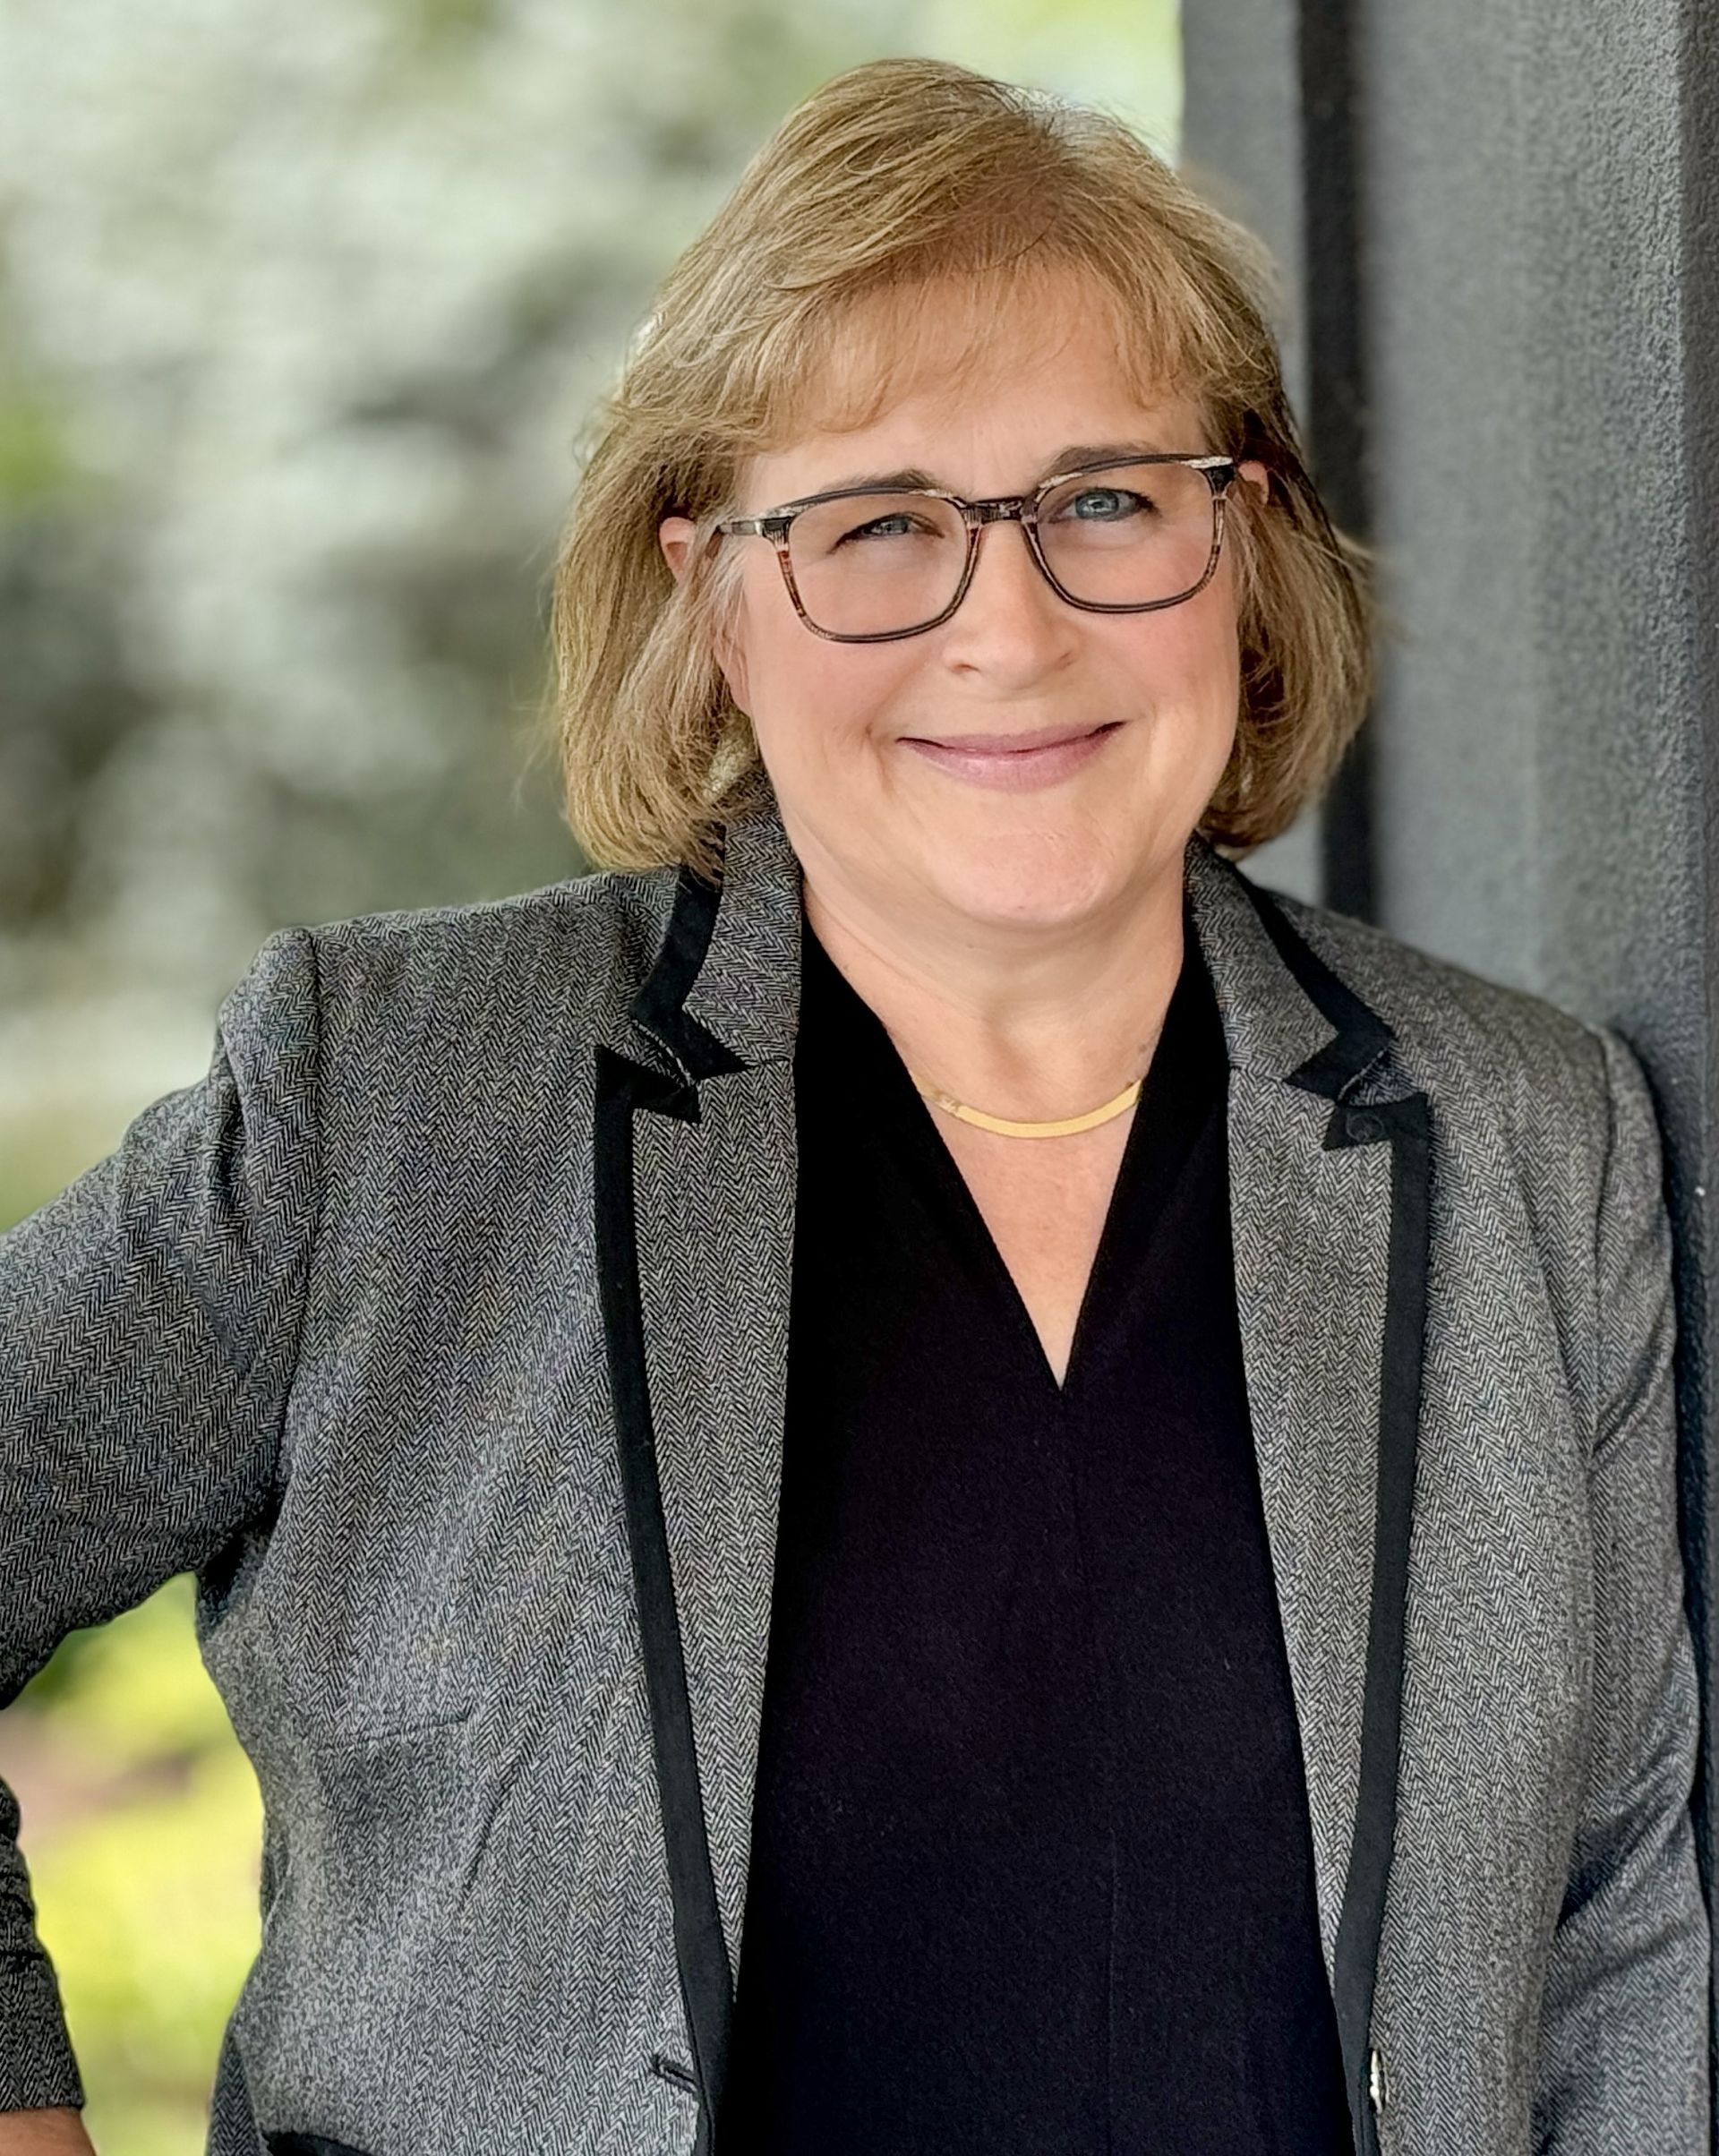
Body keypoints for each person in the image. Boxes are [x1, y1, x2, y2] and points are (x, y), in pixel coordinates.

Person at [0, 51, 1707, 2156]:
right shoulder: (396, 1095)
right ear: (706, 590)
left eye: (1104, 499)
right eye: (881, 524)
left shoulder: (1531, 1132)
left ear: (1244, 541)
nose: (1012, 624)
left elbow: (1630, 1920)